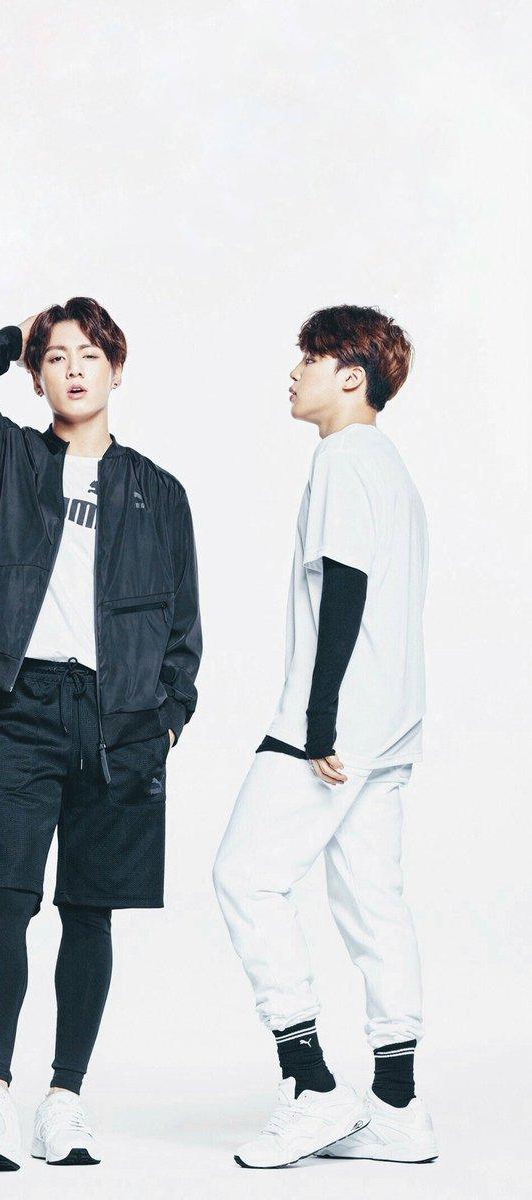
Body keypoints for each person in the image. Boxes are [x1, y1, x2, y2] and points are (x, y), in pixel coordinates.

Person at [0, 297, 202, 1170]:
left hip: (119, 720)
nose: (74, 368)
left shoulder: (159, 493)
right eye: (55, 357)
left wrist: (166, 723)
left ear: (116, 369)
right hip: (18, 707)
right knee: (7, 898)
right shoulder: (10, 460)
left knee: (90, 912)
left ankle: (64, 1102)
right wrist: (9, 341)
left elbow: (183, 631)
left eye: (89, 354)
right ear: (37, 376)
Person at [213, 305, 437, 1168]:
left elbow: (344, 582)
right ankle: (397, 1106)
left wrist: (316, 720)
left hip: (336, 723)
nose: (294, 371)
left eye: (309, 358)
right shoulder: (394, 470)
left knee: (244, 876)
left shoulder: (343, 458)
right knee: (373, 904)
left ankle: (310, 1086)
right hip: (391, 722)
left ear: (350, 375)